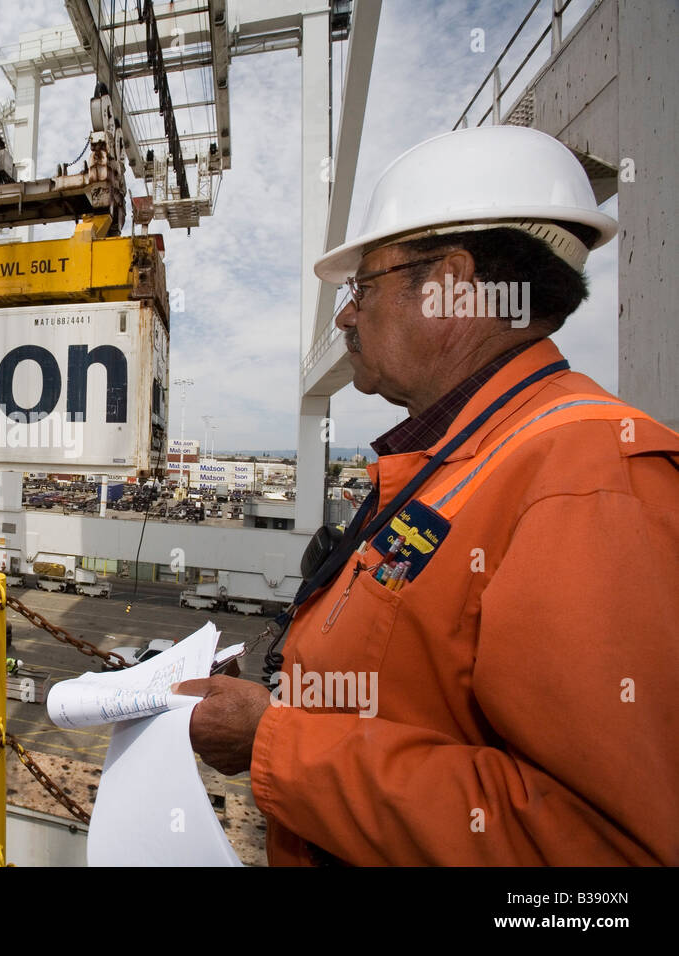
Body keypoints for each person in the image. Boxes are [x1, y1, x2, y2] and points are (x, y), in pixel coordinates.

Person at [176, 125, 679, 865]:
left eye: (363, 287)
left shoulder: (589, 476)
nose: (346, 315)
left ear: (450, 283)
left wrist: (274, 741)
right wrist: (275, 711)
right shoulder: (467, 461)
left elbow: (601, 854)